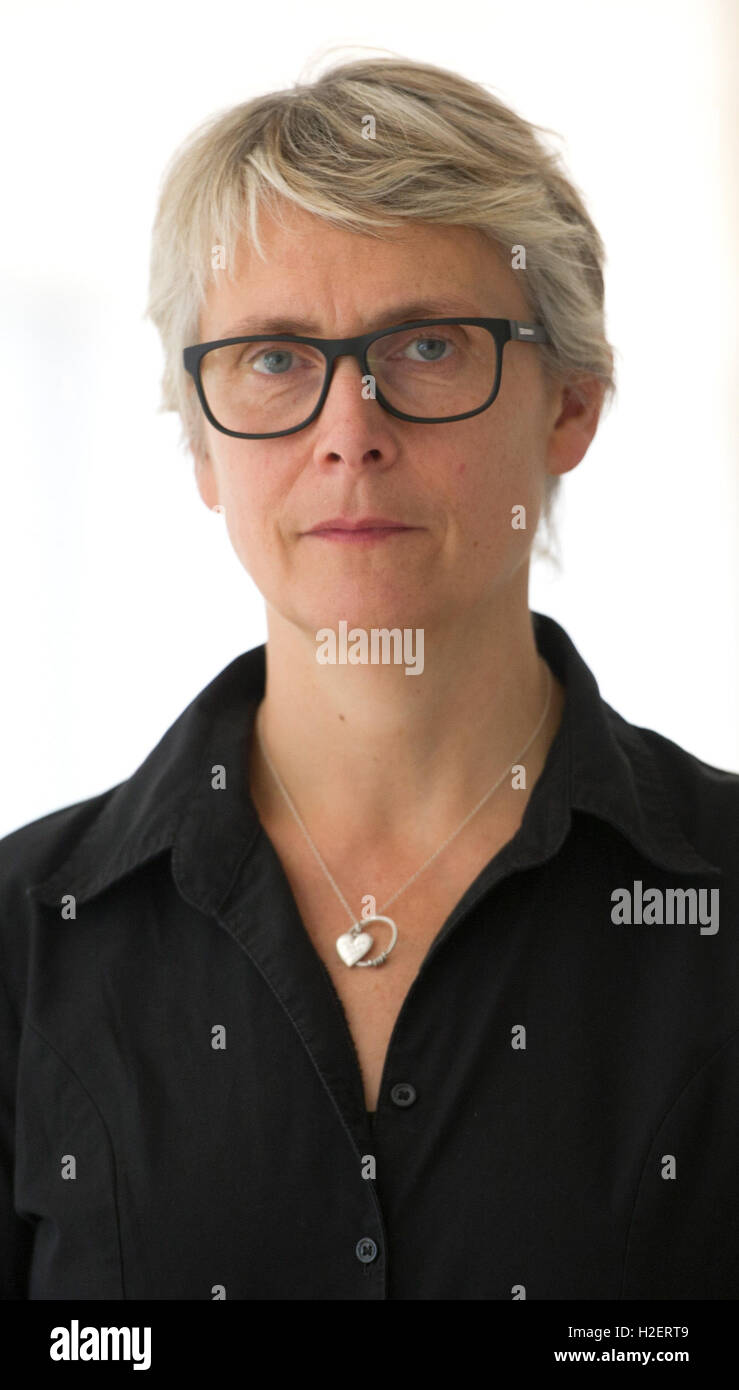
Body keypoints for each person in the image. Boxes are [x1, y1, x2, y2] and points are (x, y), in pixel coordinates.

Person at [1, 54, 737, 1302]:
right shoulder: (27, 939)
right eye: (276, 360)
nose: (351, 426)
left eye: (430, 344)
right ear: (199, 442)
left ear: (572, 403)